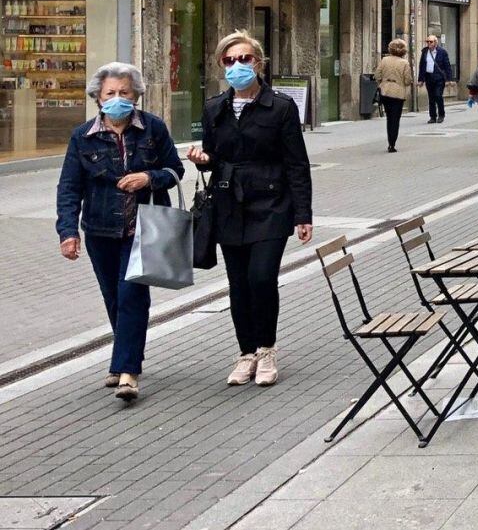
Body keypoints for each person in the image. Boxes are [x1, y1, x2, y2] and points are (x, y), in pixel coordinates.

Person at [187, 31, 313, 388]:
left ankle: (267, 349)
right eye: (229, 61)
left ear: (258, 63)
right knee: (238, 285)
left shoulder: (281, 107)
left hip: (271, 204)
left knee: (261, 278)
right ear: (220, 66)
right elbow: (213, 157)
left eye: (244, 59)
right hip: (229, 204)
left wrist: (303, 214)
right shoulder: (215, 107)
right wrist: (202, 159)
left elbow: (297, 164)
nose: (237, 66)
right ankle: (246, 353)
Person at [56, 63, 184, 402]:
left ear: (136, 95)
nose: (117, 99)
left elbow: (175, 169)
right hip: (100, 229)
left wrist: (149, 178)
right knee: (114, 297)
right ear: (98, 98)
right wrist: (68, 232)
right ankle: (123, 356)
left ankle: (128, 371)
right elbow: (69, 187)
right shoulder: (82, 136)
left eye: (124, 93)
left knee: (131, 294)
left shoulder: (153, 129)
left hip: (144, 227)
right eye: (110, 93)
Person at [374, 38, 412, 153]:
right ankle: (392, 144)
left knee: (389, 117)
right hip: (397, 93)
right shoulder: (405, 63)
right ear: (403, 51)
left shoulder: (384, 60)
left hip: (385, 92)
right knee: (395, 119)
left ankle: (390, 141)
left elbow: (377, 74)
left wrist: (382, 82)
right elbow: (407, 80)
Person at [417, 34, 453, 124]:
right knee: (431, 98)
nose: (429, 43)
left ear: (435, 42)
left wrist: (449, 79)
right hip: (429, 77)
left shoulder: (442, 52)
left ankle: (441, 114)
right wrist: (421, 80)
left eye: (431, 41)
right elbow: (422, 66)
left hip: (439, 78)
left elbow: (447, 66)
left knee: (438, 95)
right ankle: (432, 116)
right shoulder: (425, 52)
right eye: (427, 41)